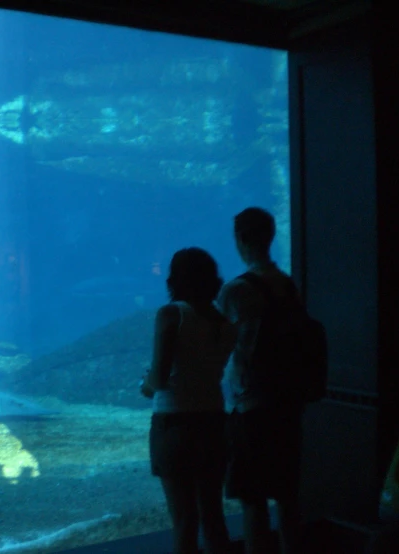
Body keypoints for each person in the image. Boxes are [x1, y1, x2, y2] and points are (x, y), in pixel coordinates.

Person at [216, 207, 304, 554]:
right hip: (287, 403)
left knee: (252, 500)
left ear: (240, 239)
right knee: (287, 497)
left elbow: (218, 344)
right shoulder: (288, 285)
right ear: (271, 237)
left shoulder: (236, 290)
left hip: (248, 404)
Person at [141, 247, 237, 554]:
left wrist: (145, 383)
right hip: (213, 424)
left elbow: (158, 380)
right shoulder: (226, 323)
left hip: (175, 424)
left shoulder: (171, 314)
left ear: (175, 279)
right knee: (213, 517)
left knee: (184, 521)